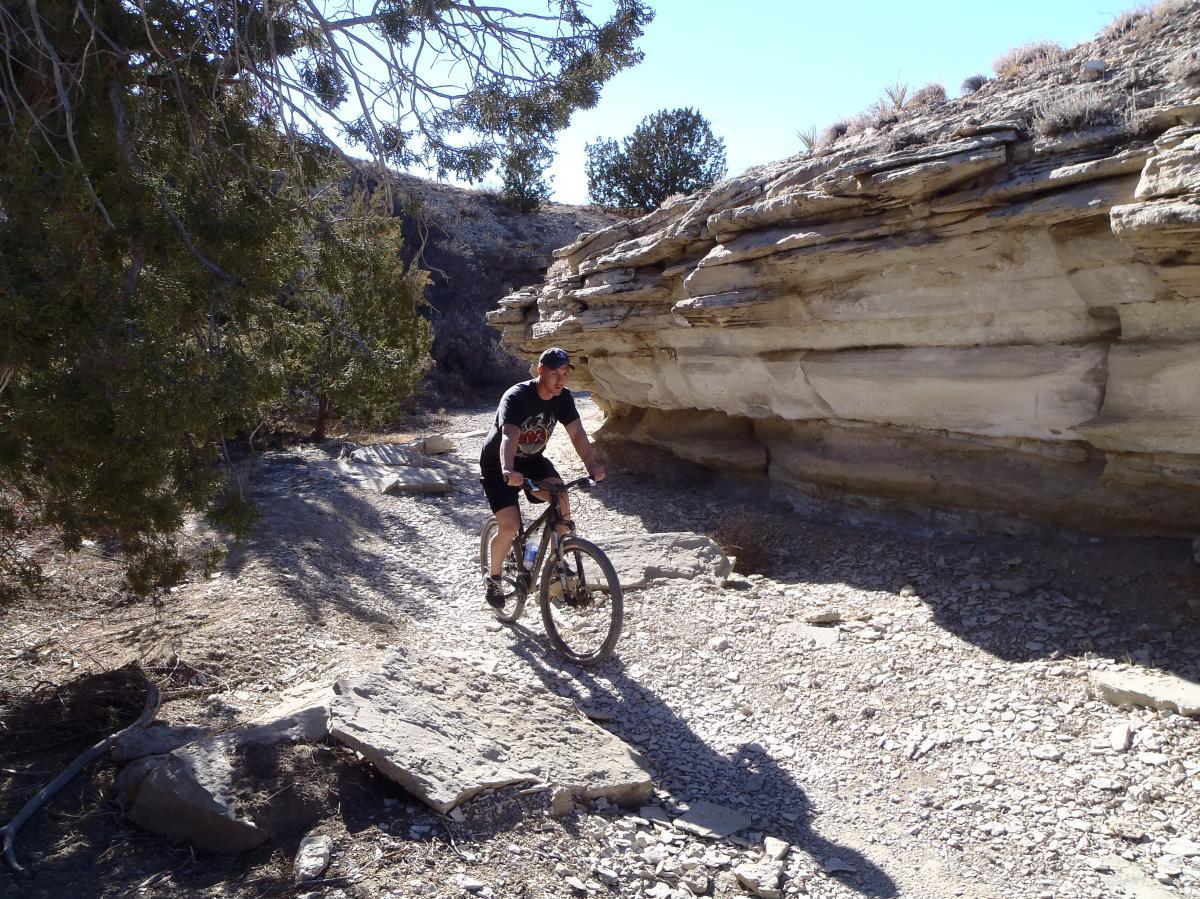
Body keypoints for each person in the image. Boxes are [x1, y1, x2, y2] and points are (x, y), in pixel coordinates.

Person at [479, 347, 605, 608]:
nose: (560, 380)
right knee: (510, 526)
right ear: (540, 372)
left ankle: (558, 562)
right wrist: (507, 469)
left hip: (533, 460)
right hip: (499, 464)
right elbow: (509, 435)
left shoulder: (563, 398)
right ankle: (494, 577)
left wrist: (592, 464)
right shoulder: (516, 397)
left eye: (564, 373)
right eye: (554, 373)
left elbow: (577, 433)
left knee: (561, 497)